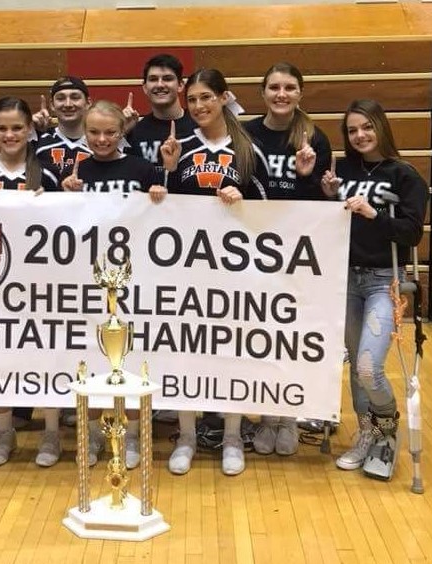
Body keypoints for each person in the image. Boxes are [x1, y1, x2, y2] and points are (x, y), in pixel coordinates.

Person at [160, 68, 269, 476]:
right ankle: (187, 436)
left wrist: (244, 198)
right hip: (187, 272)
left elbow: (270, 206)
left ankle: (231, 437)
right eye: (193, 100)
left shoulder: (247, 149)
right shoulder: (180, 148)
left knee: (231, 354)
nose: (200, 106)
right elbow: (161, 211)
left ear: (225, 98)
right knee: (187, 353)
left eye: (207, 97)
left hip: (234, 273)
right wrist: (166, 173)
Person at [321, 99, 427, 479]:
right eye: (352, 130)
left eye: (366, 127)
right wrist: (329, 193)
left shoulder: (405, 175)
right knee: (354, 364)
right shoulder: (343, 168)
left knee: (368, 366)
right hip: (346, 277)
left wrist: (374, 214)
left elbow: (412, 232)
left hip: (384, 279)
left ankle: (386, 428)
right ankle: (365, 435)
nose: (360, 135)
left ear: (381, 127)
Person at [62, 100, 167, 468]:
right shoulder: (77, 172)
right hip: (88, 277)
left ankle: (133, 437)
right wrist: (65, 196)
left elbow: (166, 217)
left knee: (130, 356)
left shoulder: (141, 167)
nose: (102, 139)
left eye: (110, 132)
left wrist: (158, 196)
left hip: (135, 277)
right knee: (92, 358)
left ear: (123, 131)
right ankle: (91, 438)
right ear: (85, 132)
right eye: (94, 132)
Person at [0, 96, 59, 467]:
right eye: (2, 128)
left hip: (41, 285)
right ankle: (5, 432)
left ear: (29, 129)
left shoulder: (46, 172)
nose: (10, 134)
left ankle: (51, 432)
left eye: (17, 127)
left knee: (50, 358)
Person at [244, 62, 332, 456]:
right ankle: (265, 417)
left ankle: (290, 417)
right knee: (260, 337)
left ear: (300, 93)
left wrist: (305, 177)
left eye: (290, 88)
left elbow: (320, 202)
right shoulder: (245, 133)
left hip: (298, 254)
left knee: (292, 337)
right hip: (252, 250)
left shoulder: (316, 137)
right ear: (263, 93)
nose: (282, 94)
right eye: (274, 87)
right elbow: (240, 187)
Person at [123, 53, 196, 172]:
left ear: (180, 85)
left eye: (167, 78)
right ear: (145, 88)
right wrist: (122, 133)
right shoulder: (135, 131)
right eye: (153, 79)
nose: (160, 84)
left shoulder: (199, 125)